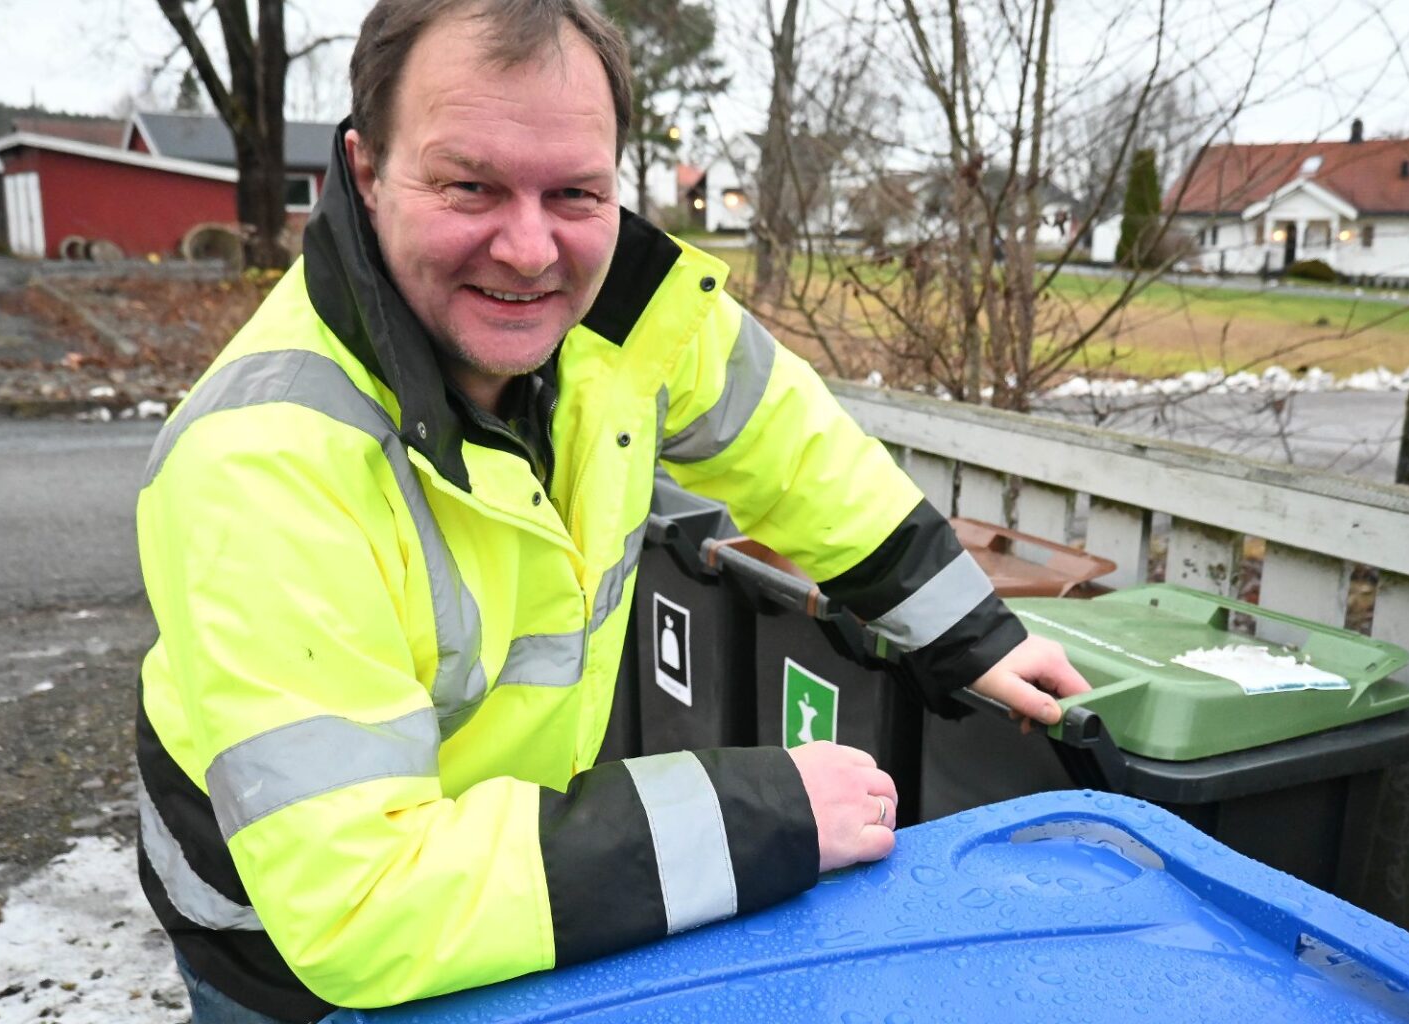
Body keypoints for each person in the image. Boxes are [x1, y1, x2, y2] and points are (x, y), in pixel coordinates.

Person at [134, 1, 1088, 1021]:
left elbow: (794, 447)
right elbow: (362, 899)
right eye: (471, 184)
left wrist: (970, 633)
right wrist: (768, 816)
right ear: (367, 174)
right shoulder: (266, 459)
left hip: (517, 877)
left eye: (576, 191)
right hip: (288, 961)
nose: (533, 249)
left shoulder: (625, 313)